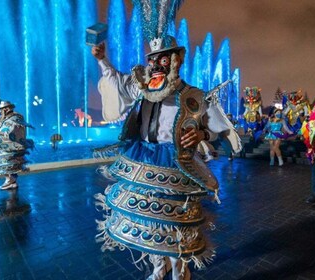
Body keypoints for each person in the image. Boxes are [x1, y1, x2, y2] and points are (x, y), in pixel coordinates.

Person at [90, 11, 241, 280]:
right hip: (144, 159)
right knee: (150, 221)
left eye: (162, 60)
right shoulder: (143, 87)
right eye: (152, 61)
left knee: (175, 222)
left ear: (176, 61)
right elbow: (117, 82)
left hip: (176, 162)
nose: (156, 66)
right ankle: (159, 269)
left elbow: (219, 129)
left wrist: (201, 136)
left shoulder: (194, 95)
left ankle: (180, 271)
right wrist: (102, 60)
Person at [0, 101, 34, 190]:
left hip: (12, 146)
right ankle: (12, 182)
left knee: (7, 163)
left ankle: (11, 180)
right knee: (9, 165)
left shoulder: (14, 118)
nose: (0, 111)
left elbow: (13, 132)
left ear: (7, 109)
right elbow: (1, 121)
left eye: (2, 109)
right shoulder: (7, 117)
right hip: (6, 145)